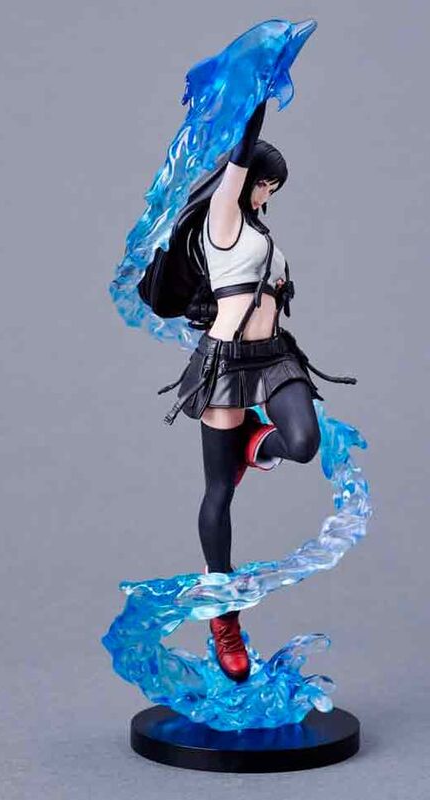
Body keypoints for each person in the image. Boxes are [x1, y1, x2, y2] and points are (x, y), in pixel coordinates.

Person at [157, 99, 357, 682]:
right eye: (268, 184)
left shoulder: (266, 236)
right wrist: (259, 93)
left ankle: (251, 440)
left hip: (274, 356)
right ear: (248, 182)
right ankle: (224, 617)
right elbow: (241, 154)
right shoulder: (224, 220)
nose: (270, 194)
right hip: (225, 362)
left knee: (303, 442)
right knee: (219, 492)